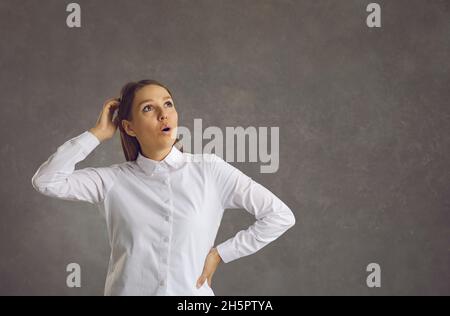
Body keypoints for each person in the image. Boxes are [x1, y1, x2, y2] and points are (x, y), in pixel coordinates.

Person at [31, 79, 296, 296]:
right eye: (148, 108)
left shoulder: (210, 170)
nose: (163, 114)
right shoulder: (112, 181)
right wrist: (98, 134)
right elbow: (47, 181)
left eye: (168, 104)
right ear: (129, 127)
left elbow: (279, 216)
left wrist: (220, 254)